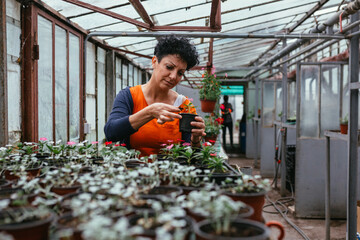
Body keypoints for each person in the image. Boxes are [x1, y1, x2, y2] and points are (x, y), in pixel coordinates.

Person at [104, 36, 206, 157]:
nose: (173, 76)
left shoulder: (184, 106)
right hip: (132, 172)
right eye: (169, 67)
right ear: (154, 62)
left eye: (180, 73)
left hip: (171, 174)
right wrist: (149, 112)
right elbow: (111, 132)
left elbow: (192, 157)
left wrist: (196, 141)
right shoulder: (129, 96)